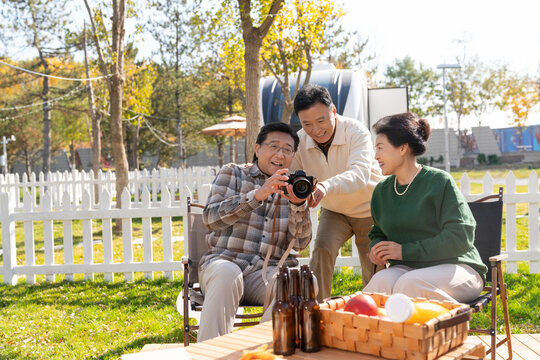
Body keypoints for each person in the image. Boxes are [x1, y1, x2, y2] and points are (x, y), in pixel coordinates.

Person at [197, 122, 312, 342]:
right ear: (258, 149)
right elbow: (210, 218)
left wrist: (299, 206)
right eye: (274, 146)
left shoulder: (293, 186)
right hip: (225, 263)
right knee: (227, 274)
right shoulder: (233, 173)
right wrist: (257, 195)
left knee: (299, 282)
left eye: (287, 149)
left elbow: (300, 245)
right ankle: (209, 354)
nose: (280, 154)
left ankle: (260, 350)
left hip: (266, 274)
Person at [363, 112, 487, 303]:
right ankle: (377, 333)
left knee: (409, 284)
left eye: (380, 148)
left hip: (458, 268)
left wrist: (403, 251)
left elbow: (460, 237)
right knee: (379, 284)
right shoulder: (382, 191)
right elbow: (378, 232)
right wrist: (377, 249)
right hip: (408, 269)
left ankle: (453, 323)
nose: (376, 156)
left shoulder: (439, 182)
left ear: (403, 148)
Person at [291, 83, 383, 302]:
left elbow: (359, 174)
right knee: (321, 251)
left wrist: (325, 186)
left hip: (371, 209)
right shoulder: (300, 141)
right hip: (334, 211)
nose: (315, 130)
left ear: (333, 111)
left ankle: (375, 315)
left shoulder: (356, 131)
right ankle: (316, 312)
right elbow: (289, 173)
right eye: (307, 124)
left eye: (321, 120)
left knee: (374, 266)